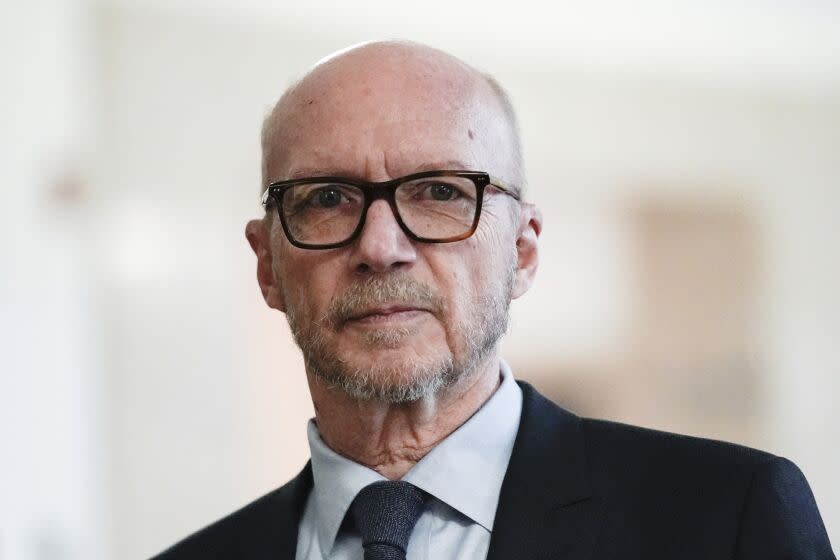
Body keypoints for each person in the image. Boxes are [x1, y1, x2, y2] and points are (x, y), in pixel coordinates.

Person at [153, 40, 835, 560]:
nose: (381, 246)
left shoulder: (725, 520)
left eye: (440, 192)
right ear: (268, 266)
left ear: (522, 252)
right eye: (327, 199)